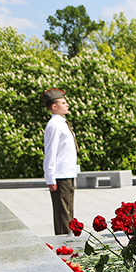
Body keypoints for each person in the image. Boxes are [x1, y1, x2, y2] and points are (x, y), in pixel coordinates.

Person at [42, 88, 79, 235]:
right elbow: (50, 152)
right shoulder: (54, 125)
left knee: (69, 211)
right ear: (54, 106)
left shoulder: (62, 123)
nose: (67, 105)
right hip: (60, 175)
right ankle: (65, 244)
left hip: (68, 173)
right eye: (63, 103)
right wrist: (50, 176)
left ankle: (69, 242)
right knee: (63, 213)